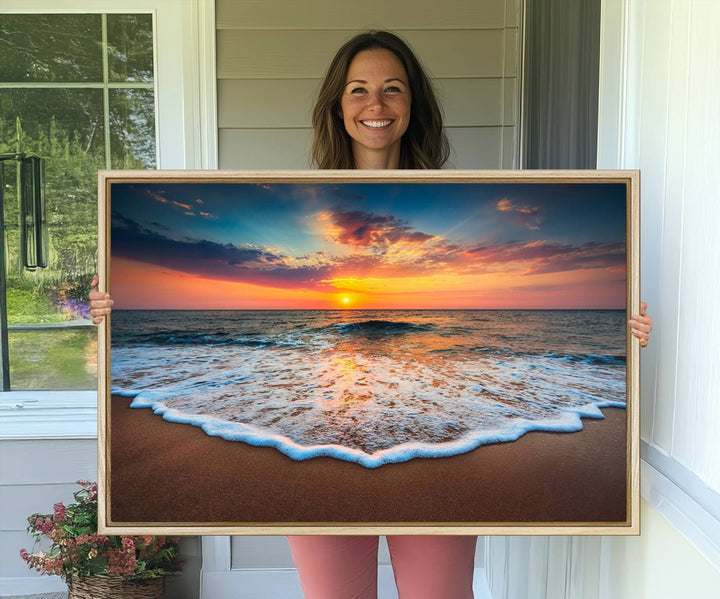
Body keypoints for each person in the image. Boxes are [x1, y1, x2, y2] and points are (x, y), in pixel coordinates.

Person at [90, 30, 653, 599]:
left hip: (440, 426)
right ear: (338, 105)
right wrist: (114, 309)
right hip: (312, 427)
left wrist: (626, 332)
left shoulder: (463, 200)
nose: (376, 105)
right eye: (358, 90)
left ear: (413, 105)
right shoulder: (306, 197)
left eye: (393, 89)